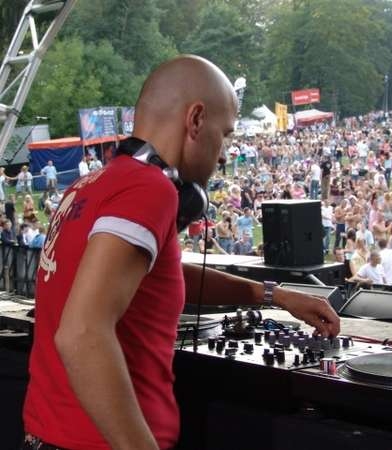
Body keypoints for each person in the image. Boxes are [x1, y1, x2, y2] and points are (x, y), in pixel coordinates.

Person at [22, 55, 339, 450]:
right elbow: (81, 332)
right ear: (195, 120)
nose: (224, 154)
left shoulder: (89, 187)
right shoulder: (149, 190)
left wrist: (272, 295)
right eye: (225, 135)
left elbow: (153, 280)